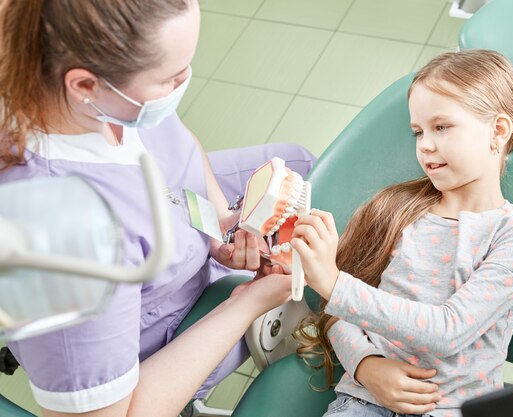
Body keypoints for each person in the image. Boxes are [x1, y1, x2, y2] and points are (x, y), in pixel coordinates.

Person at [0, 1, 315, 416]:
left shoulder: (91, 85)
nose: (185, 82)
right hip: (152, 335)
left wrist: (219, 223)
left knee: (300, 163)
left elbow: (176, 139)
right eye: (171, 78)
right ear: (84, 85)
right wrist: (247, 303)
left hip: (178, 226)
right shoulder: (63, 244)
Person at [291, 49, 513, 417]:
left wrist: (333, 284)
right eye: (418, 132)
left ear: (498, 131)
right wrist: (365, 366)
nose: (425, 144)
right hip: (362, 401)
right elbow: (337, 313)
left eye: (441, 127)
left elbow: (448, 331)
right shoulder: (394, 209)